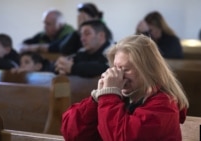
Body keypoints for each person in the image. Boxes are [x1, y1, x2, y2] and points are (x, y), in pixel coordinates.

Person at [61, 34, 189, 141]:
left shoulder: (164, 104)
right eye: (116, 68)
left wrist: (108, 96)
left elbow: (122, 137)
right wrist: (97, 98)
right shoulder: (119, 98)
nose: (119, 75)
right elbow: (73, 134)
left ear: (148, 70)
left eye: (126, 69)